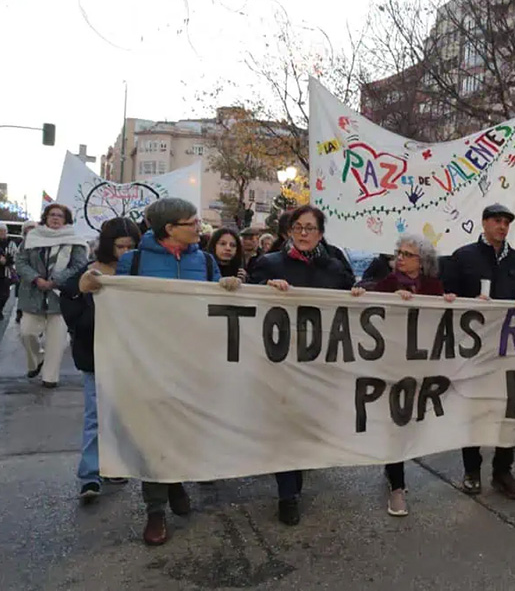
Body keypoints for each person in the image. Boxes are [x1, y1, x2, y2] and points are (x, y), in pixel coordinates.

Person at [82, 197, 234, 546]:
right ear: (170, 229)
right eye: (192, 222)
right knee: (152, 435)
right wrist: (89, 285)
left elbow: (216, 306)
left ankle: (175, 479)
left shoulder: (207, 261)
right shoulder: (133, 262)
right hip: (148, 364)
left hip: (193, 363)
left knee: (185, 432)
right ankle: (155, 512)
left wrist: (227, 289)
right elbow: (112, 303)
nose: (200, 227)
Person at [247, 205, 356, 526]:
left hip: (320, 361)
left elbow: (351, 300)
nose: (304, 233)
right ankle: (287, 494)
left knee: (306, 426)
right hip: (280, 361)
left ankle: (295, 478)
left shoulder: (335, 267)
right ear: (289, 232)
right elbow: (246, 303)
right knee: (285, 426)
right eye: (298, 227)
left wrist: (358, 294)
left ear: (321, 233)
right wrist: (263, 290)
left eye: (310, 228)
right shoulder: (269, 263)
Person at [352, 233, 456, 516]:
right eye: (398, 252)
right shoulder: (389, 282)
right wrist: (365, 294)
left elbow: (441, 319)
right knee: (394, 422)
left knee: (408, 422)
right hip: (389, 365)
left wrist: (449, 303)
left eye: (407, 254)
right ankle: (397, 486)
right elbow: (366, 296)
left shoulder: (434, 286)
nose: (400, 258)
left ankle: (391, 471)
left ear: (421, 262)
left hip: (420, 368)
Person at [441, 203, 515, 501]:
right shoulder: (463, 256)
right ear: (484, 223)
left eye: (506, 222)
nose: (502, 226)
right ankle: (472, 470)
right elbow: (446, 295)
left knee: (509, 410)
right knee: (475, 409)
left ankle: (503, 471)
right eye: (496, 221)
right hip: (473, 350)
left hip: (508, 349)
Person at [59, 218, 140, 503]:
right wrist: (83, 295)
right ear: (109, 246)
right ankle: (90, 474)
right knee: (95, 416)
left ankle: (112, 466)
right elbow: (69, 302)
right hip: (95, 354)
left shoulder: (138, 271)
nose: (126, 252)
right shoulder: (88, 271)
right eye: (120, 246)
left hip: (129, 355)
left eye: (131, 247)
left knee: (120, 414)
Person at [15, 204, 89, 388]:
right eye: (52, 215)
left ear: (66, 220)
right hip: (34, 294)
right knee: (27, 332)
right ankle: (36, 360)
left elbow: (79, 265)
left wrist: (56, 280)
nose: (55, 218)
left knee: (56, 340)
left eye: (60, 216)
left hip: (60, 296)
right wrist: (36, 278)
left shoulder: (74, 240)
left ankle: (50, 378)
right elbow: (21, 262)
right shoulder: (32, 238)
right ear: (45, 218)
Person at [0, 223, 16, 318]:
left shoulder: (11, 243)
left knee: (5, 295)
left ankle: (0, 309)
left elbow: (14, 257)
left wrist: (5, 260)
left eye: (3, 231)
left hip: (6, 273)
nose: (2, 233)